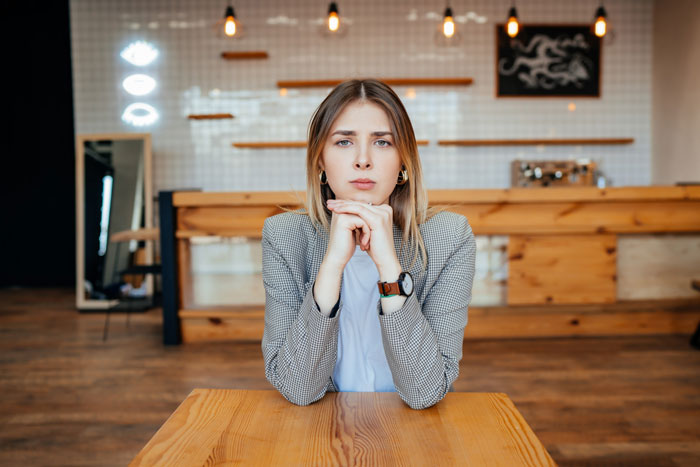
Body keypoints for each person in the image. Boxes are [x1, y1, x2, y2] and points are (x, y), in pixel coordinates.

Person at [261, 78, 476, 410]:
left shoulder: (450, 237)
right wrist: (331, 267)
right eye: (344, 142)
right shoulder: (285, 236)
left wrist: (390, 268)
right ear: (320, 160)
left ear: (403, 159)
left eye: (383, 143)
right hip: (320, 432)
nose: (363, 160)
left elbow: (424, 392)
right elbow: (298, 389)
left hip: (413, 433)